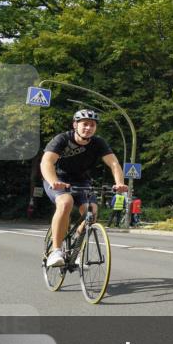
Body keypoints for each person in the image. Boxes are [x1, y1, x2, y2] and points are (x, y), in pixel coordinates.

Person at [42, 109, 128, 267]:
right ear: (75, 125)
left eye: (92, 125)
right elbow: (46, 162)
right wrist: (54, 181)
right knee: (65, 202)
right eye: (85, 124)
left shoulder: (98, 143)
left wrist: (119, 183)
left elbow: (114, 163)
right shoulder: (62, 139)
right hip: (58, 179)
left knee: (91, 213)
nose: (88, 128)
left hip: (82, 182)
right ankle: (56, 251)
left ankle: (76, 249)